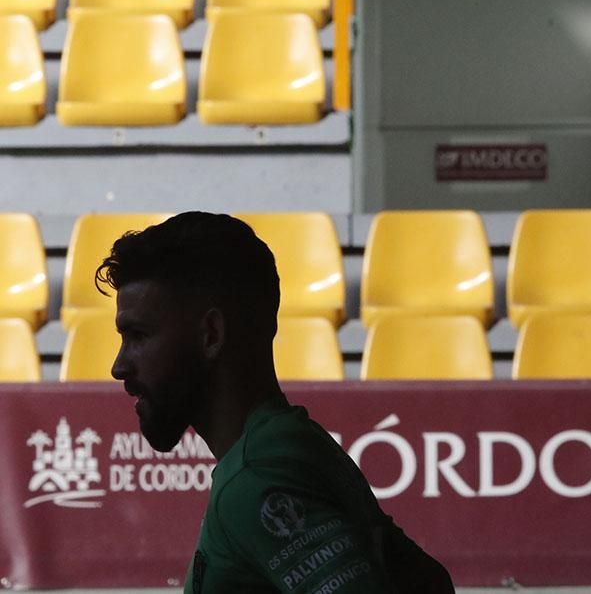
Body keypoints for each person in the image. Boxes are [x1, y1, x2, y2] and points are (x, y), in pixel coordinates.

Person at [96, 211, 455, 594]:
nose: (119, 367)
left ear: (211, 334)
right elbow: (431, 580)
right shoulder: (294, 444)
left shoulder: (258, 478)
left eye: (138, 335)